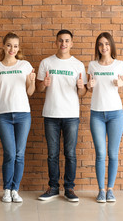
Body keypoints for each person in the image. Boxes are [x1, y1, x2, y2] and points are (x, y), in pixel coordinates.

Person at [37, 30, 87, 202]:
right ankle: (53, 187)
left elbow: (82, 92)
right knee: (52, 154)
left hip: (71, 115)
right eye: (60, 41)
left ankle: (69, 188)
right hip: (51, 114)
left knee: (70, 153)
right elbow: (39, 89)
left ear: (71, 43)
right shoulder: (46, 62)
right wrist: (44, 84)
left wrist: (81, 86)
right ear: (56, 42)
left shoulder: (78, 65)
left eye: (67, 41)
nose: (63, 44)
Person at [0, 32, 36, 203]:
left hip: (23, 114)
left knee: (19, 154)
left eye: (15, 46)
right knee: (9, 153)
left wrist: (31, 81)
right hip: (3, 115)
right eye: (9, 45)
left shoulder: (25, 65)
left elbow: (30, 92)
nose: (12, 49)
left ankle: (15, 189)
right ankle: (6, 189)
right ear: (3, 46)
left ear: (18, 48)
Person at [87, 32, 123, 203]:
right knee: (100, 153)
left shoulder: (119, 65)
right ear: (97, 47)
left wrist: (121, 84)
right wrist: (89, 86)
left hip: (115, 115)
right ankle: (101, 190)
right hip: (97, 114)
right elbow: (90, 88)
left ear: (111, 46)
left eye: (106, 44)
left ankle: (110, 190)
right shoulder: (92, 65)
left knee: (112, 153)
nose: (103, 47)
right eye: (100, 44)